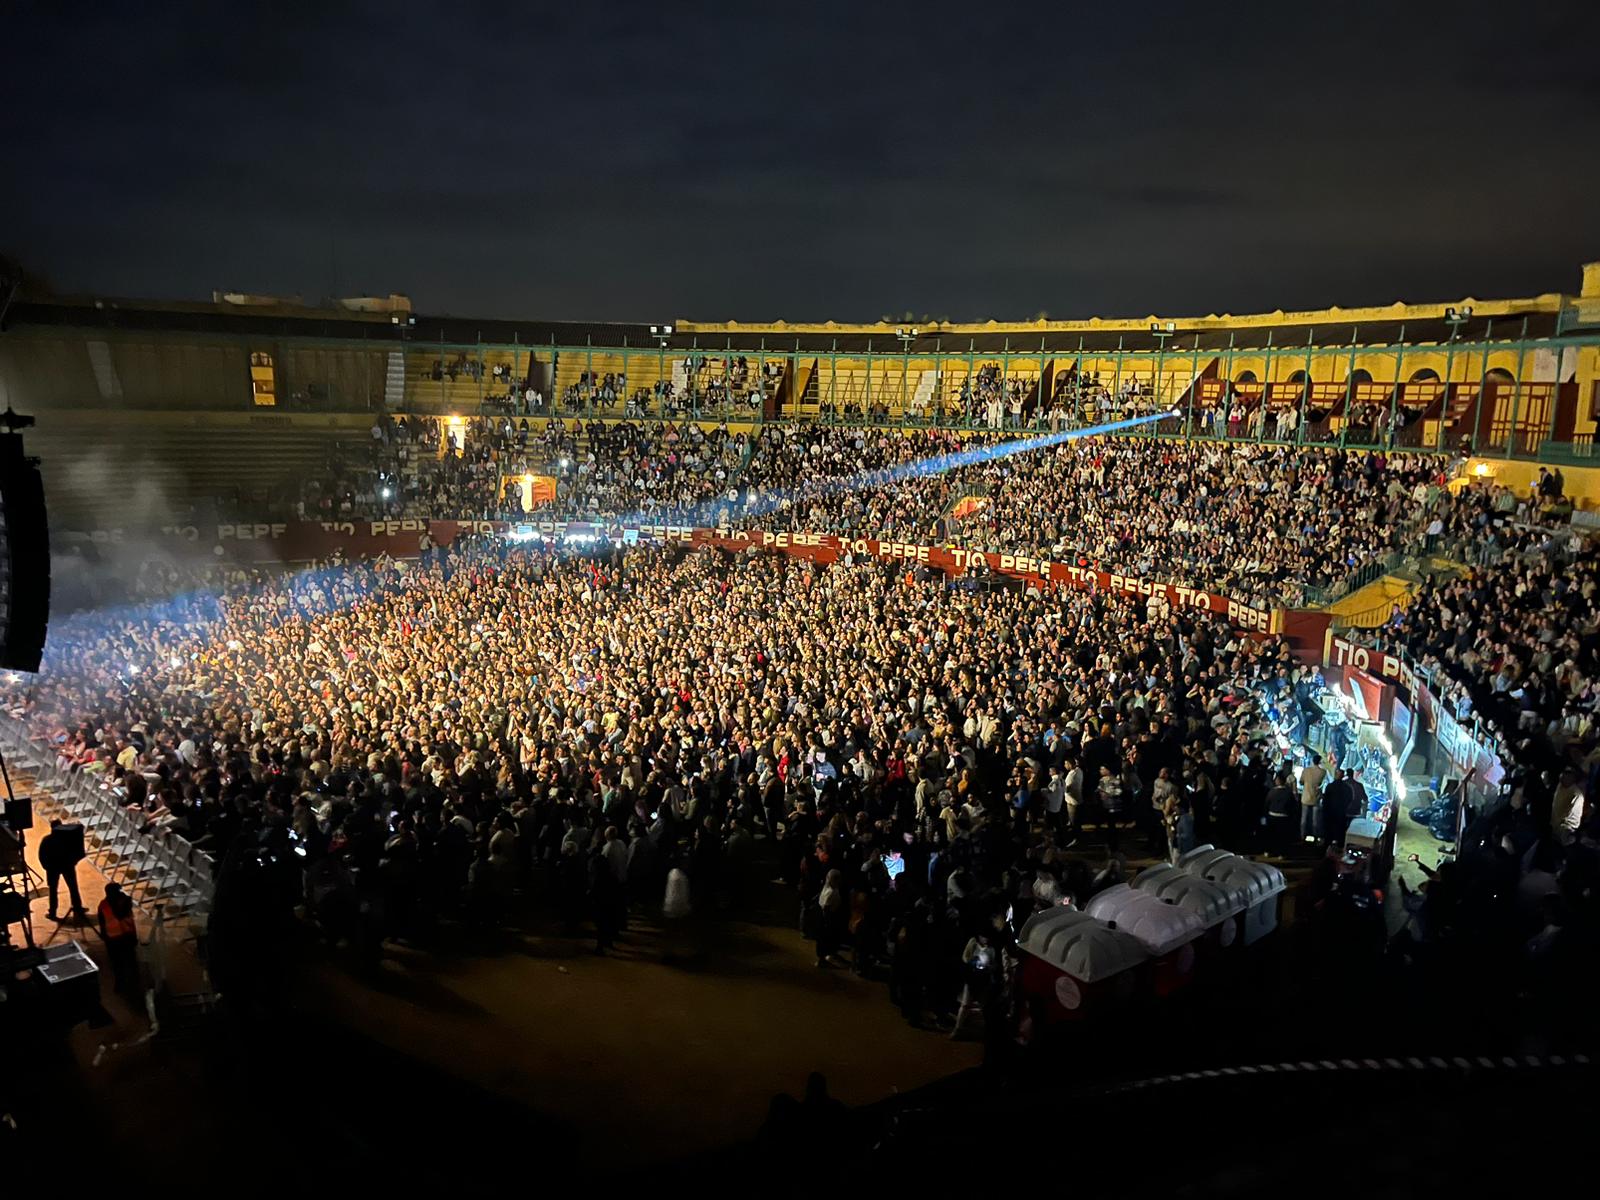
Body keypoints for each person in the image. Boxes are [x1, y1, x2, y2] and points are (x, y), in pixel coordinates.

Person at [96, 882, 139, 1000]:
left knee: (122, 963)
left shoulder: (105, 904)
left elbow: (103, 922)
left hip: (118, 937)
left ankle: (126, 983)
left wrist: (104, 936)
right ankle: (125, 983)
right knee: (122, 962)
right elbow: (117, 916)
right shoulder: (122, 902)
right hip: (120, 937)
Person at [38, 818, 87, 921]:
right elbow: (75, 852)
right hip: (67, 866)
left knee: (53, 890)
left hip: (52, 868)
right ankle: (77, 908)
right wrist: (73, 862)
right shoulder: (67, 839)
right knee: (73, 887)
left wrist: (47, 867)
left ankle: (52, 912)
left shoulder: (47, 840)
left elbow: (42, 855)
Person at [1299, 754, 1327, 842]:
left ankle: (1302, 836)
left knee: (1304, 819)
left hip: (1306, 797)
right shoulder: (1323, 772)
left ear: (1312, 761)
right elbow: (1321, 783)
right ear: (1320, 762)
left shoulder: (1306, 770)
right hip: (1316, 797)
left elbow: (1301, 782)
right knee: (1315, 820)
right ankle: (1315, 838)